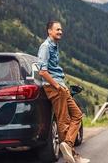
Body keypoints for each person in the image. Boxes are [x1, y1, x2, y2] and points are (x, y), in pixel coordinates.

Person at [38, 21, 90, 163]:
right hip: (54, 87)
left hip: (60, 86)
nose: (60, 32)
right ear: (49, 31)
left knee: (77, 114)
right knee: (64, 120)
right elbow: (42, 71)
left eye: (61, 29)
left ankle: (67, 146)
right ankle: (72, 155)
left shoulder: (54, 46)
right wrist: (57, 85)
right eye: (57, 29)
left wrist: (61, 86)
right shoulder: (45, 47)